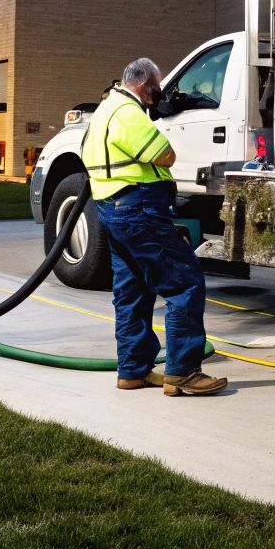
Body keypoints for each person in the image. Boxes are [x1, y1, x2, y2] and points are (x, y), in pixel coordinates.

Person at [81, 57, 227, 397]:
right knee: (184, 282)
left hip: (113, 210)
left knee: (132, 290)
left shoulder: (106, 108)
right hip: (140, 209)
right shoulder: (128, 114)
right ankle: (183, 372)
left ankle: (132, 370)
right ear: (146, 87)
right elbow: (165, 155)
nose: (158, 95)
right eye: (157, 89)